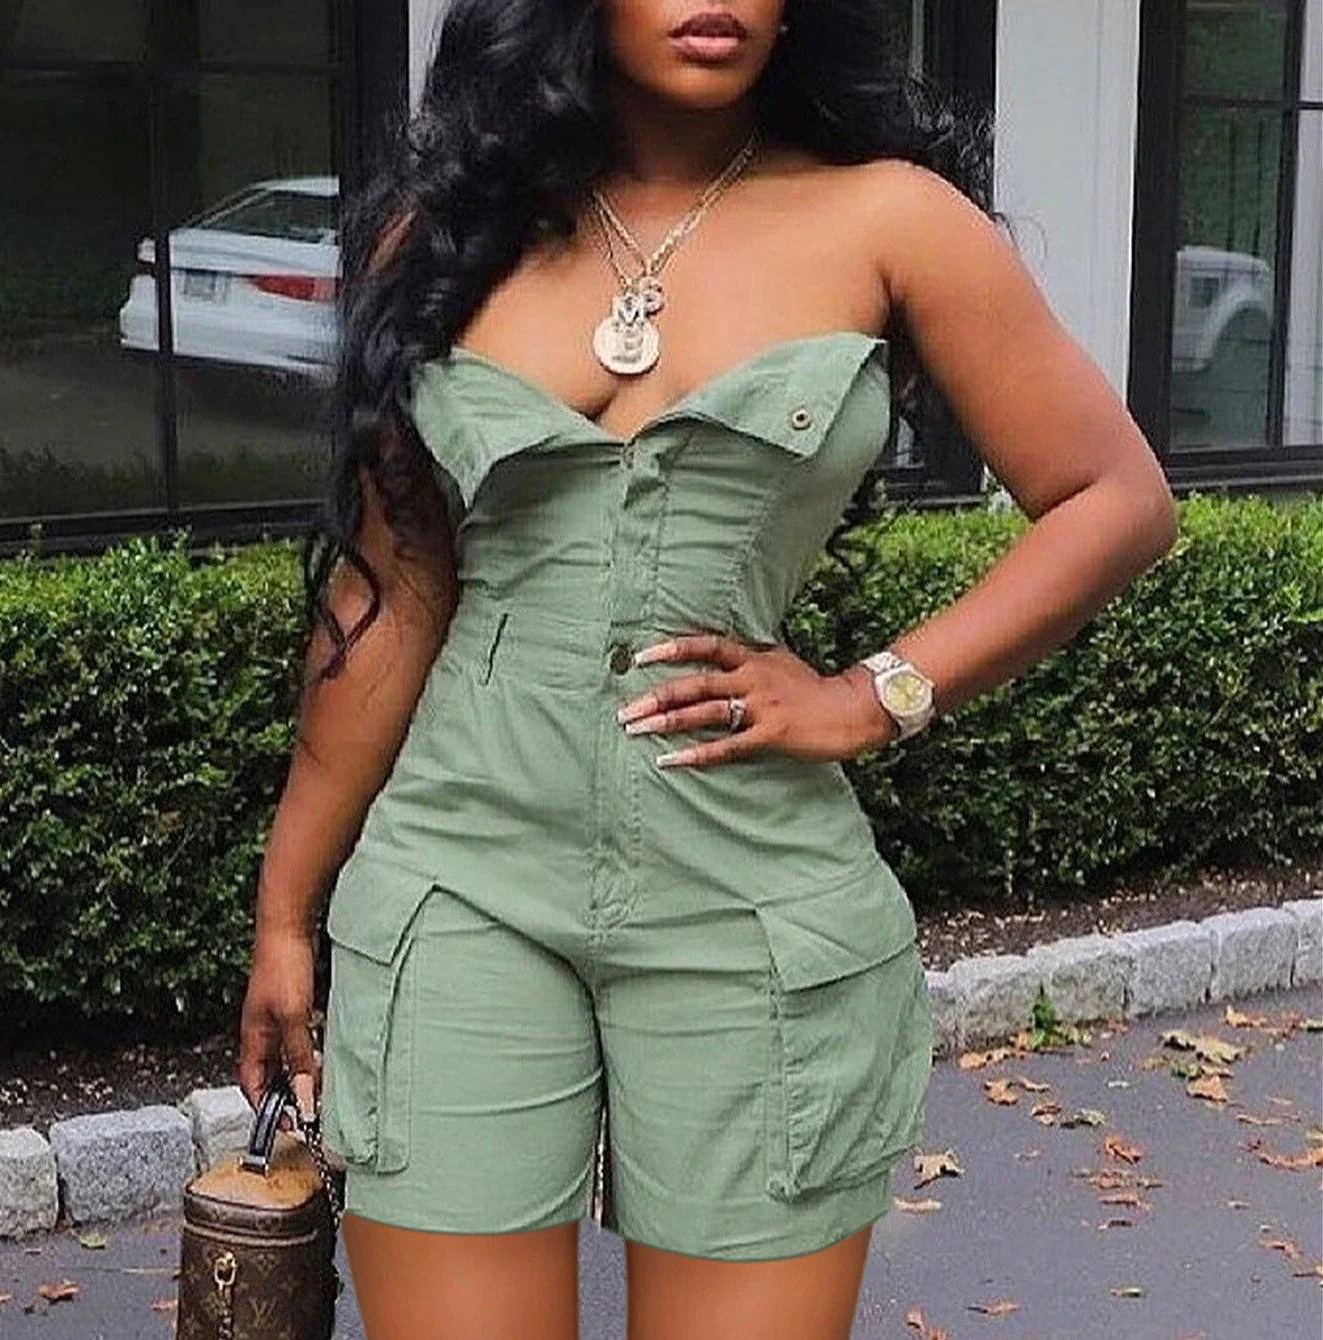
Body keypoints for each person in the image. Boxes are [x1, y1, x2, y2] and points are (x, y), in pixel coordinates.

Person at [238, 3, 1179, 1337]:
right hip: (458, 881)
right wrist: (286, 910)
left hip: (752, 904)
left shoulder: (891, 222)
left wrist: (873, 694)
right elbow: (392, 594)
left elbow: (1115, 498)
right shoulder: (454, 232)